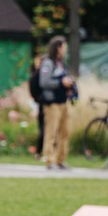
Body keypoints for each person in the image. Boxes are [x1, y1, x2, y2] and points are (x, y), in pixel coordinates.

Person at [38, 36, 75, 170]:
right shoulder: (48, 63)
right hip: (52, 103)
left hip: (63, 102)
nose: (65, 50)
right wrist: (60, 83)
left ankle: (60, 159)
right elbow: (44, 82)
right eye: (64, 47)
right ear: (58, 47)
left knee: (64, 132)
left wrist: (68, 88)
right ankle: (49, 159)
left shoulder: (61, 63)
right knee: (51, 132)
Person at [27, 55, 45, 159]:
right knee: (44, 129)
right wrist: (39, 100)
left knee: (43, 129)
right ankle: (39, 152)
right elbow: (33, 89)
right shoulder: (39, 75)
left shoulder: (38, 74)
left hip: (41, 103)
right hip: (43, 104)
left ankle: (39, 152)